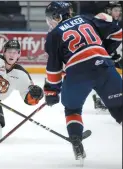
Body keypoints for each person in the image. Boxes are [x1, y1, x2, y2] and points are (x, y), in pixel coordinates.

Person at [43, 1, 122, 162]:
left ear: (56, 17)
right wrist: (104, 50)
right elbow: (119, 33)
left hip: (78, 73)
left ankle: (76, 139)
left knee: (72, 109)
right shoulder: (87, 19)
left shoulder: (54, 35)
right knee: (120, 108)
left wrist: (51, 91)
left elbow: (54, 68)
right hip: (104, 67)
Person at [92, 1, 122, 110]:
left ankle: (103, 100)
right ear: (109, 10)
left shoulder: (114, 23)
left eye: (119, 11)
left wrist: (113, 54)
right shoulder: (103, 21)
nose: (118, 13)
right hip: (99, 56)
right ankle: (101, 100)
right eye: (115, 10)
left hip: (107, 55)